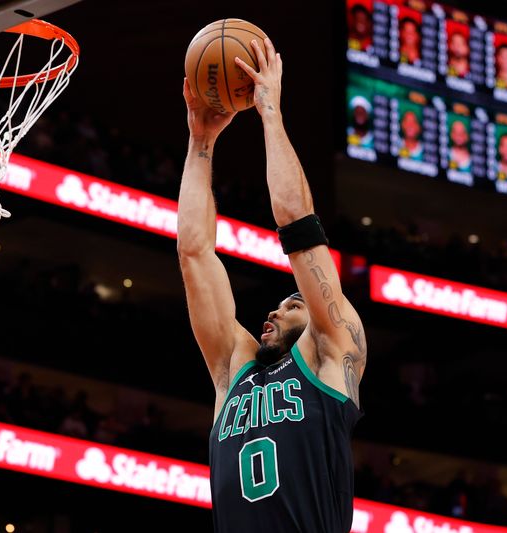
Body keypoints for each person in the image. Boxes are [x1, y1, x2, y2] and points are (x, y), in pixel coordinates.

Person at [178, 36, 366, 532]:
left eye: (294, 303)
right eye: (281, 304)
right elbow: (194, 253)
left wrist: (270, 114)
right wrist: (200, 141)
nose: (275, 310)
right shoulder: (232, 369)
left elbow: (298, 225)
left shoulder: (331, 351)